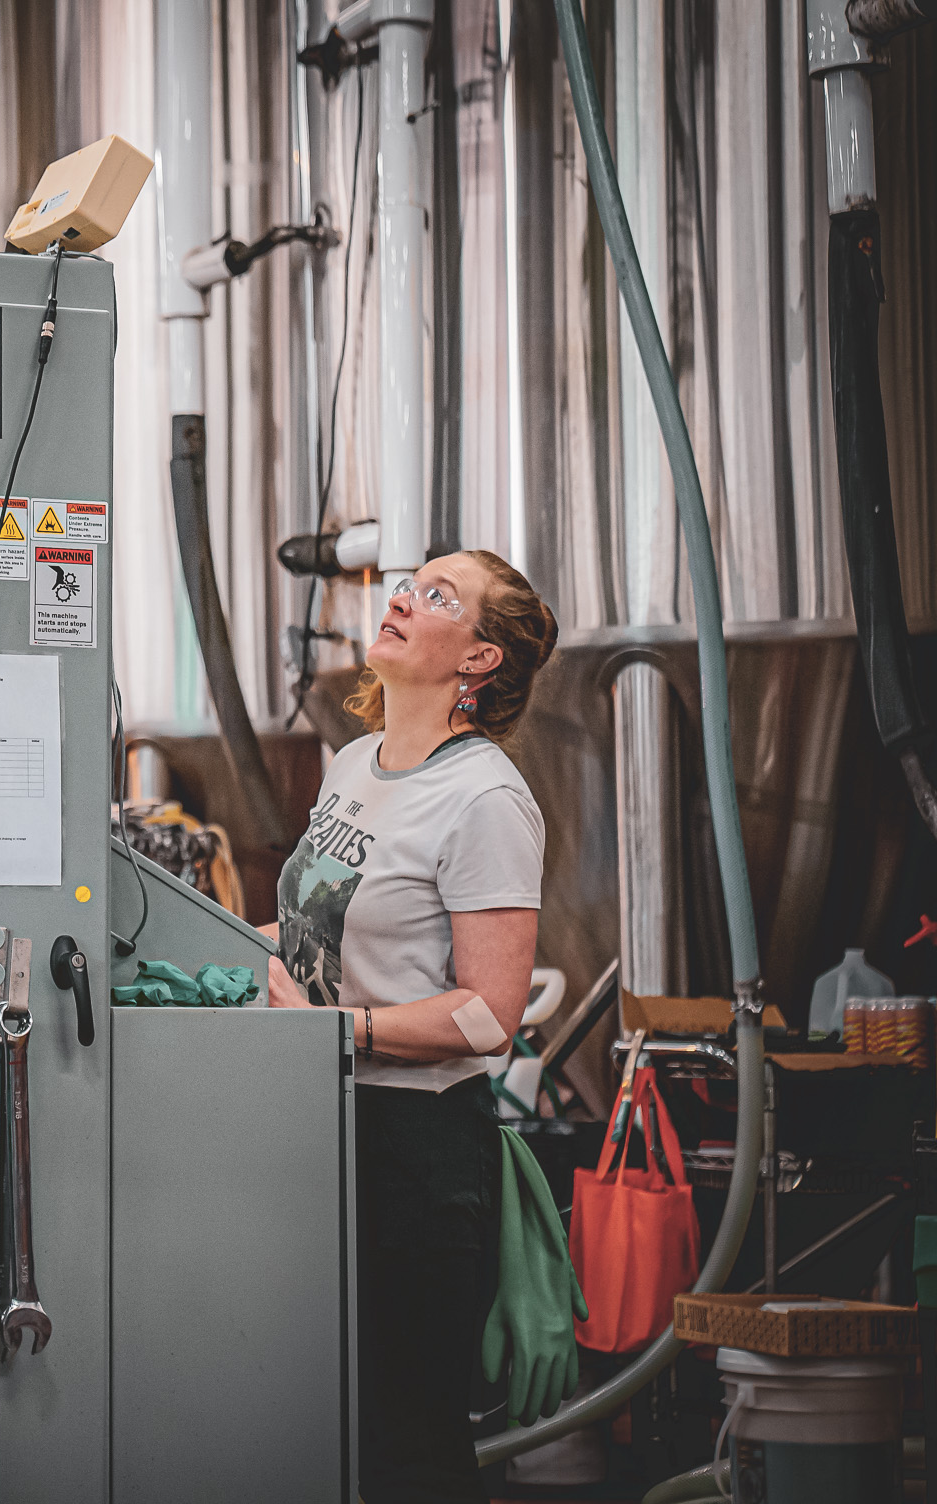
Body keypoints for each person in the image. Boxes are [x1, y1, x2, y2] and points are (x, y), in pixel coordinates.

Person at [261, 549, 558, 1504]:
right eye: (410, 582)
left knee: (406, 1445)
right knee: (325, 1425)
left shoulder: (486, 799)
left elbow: (488, 1015)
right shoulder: (355, 764)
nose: (402, 599)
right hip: (321, 1125)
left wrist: (339, 1033)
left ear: (479, 659)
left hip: (416, 1154)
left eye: (439, 597)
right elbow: (318, 930)